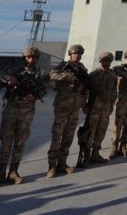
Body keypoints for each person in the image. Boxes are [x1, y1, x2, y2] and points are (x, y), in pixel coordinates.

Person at [0, 47, 47, 188]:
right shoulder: (14, 70)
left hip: (27, 111)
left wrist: (35, 96)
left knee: (20, 142)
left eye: (34, 57)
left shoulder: (40, 73)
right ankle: (0, 174)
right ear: (24, 58)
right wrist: (8, 79)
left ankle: (13, 172)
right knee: (6, 142)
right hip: (11, 109)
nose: (31, 60)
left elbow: (46, 89)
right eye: (28, 57)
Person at [46, 44, 89, 177]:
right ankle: (52, 166)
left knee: (68, 136)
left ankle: (62, 163)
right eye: (74, 53)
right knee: (57, 135)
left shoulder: (82, 68)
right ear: (70, 54)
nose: (76, 55)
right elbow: (51, 75)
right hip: (62, 106)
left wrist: (84, 104)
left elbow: (84, 89)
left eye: (79, 53)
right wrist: (67, 76)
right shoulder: (63, 66)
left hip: (75, 107)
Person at [81, 51, 118, 166]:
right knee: (90, 131)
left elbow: (114, 91)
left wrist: (112, 105)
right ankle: (86, 156)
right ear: (100, 61)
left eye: (108, 60)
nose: (106, 62)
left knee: (101, 131)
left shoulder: (113, 74)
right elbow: (85, 90)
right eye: (104, 60)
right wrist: (84, 105)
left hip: (106, 109)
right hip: (95, 107)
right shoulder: (94, 74)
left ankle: (95, 154)